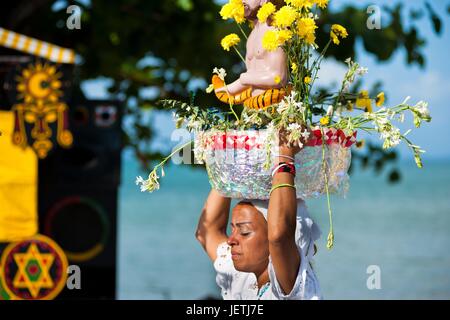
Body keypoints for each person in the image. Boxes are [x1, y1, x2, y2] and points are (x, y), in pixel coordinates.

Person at [196, 132, 322, 300]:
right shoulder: (243, 277)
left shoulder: (296, 285)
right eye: (233, 229)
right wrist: (228, 165)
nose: (230, 240)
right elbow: (206, 231)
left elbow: (280, 236)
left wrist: (285, 153)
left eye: (245, 232)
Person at [213, 0, 289, 109]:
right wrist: (229, 90)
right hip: (253, 110)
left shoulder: (277, 31)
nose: (242, 1)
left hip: (276, 110)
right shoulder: (252, 36)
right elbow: (253, 77)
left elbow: (278, 77)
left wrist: (241, 81)